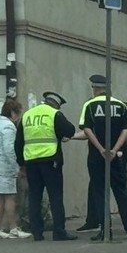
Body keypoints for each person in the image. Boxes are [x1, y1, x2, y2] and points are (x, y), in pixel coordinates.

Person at [79, 74, 127, 240]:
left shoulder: (89, 105)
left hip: (96, 156)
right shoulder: (120, 105)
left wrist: (101, 149)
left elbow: (87, 130)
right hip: (116, 156)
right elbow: (126, 130)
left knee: (100, 193)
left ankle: (105, 231)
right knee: (120, 191)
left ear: (95, 88)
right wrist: (114, 150)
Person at [15, 91, 84, 241]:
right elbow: (70, 130)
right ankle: (59, 232)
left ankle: (37, 232)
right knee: (55, 197)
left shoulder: (27, 115)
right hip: (50, 161)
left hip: (31, 161)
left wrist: (21, 164)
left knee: (35, 197)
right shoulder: (54, 114)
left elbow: (18, 142)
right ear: (56, 105)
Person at [0, 98, 30, 239]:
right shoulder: (8, 127)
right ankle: (13, 228)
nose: (18, 116)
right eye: (18, 113)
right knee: (10, 198)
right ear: (12, 113)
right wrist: (17, 168)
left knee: (0, 199)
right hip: (3, 168)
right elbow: (9, 150)